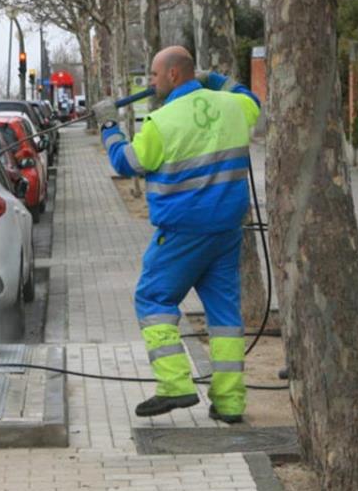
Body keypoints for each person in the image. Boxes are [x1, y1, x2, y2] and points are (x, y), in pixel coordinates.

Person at [91, 45, 261, 423]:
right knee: (225, 315)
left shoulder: (162, 121)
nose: (151, 82)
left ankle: (175, 384)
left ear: (172, 75)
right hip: (227, 231)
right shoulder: (233, 107)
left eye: (154, 75)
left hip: (183, 232)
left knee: (153, 298)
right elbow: (251, 99)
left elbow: (126, 163)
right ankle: (230, 403)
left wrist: (108, 127)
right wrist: (215, 79)